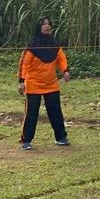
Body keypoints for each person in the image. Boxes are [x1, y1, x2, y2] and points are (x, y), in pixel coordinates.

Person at [18, 16, 71, 149]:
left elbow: (61, 59)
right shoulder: (31, 46)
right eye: (44, 24)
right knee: (31, 113)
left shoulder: (54, 44)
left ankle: (61, 137)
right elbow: (23, 64)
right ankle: (26, 141)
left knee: (56, 112)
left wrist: (65, 70)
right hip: (33, 84)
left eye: (49, 24)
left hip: (51, 84)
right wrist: (21, 81)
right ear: (39, 27)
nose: (47, 26)